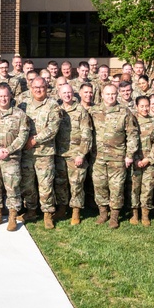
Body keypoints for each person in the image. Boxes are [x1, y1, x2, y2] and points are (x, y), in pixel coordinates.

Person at [89, 85, 140, 228]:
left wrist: (129, 155)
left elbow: (132, 134)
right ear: (102, 95)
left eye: (113, 94)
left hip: (117, 157)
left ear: (117, 94)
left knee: (116, 187)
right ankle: (103, 213)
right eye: (107, 94)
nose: (110, 96)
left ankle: (115, 216)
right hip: (98, 157)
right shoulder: (94, 111)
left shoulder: (124, 112)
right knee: (100, 185)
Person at [0, 84, 29, 231]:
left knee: (12, 187)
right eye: (0, 96)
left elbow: (23, 136)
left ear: (10, 96)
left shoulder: (19, 114)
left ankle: (12, 217)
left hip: (11, 158)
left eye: (6, 96)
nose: (3, 99)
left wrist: (8, 150)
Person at [20, 77, 62, 228]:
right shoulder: (23, 105)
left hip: (44, 152)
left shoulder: (53, 105)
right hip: (26, 153)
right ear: (31, 88)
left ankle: (47, 214)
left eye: (42, 87)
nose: (38, 90)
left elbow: (53, 128)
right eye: (35, 87)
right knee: (27, 184)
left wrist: (34, 140)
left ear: (46, 88)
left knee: (46, 185)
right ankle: (31, 211)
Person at [55, 83, 93, 225]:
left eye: (69, 92)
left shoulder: (81, 111)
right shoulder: (57, 110)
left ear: (73, 93)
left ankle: (76, 212)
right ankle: (62, 208)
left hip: (76, 154)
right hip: (60, 154)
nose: (67, 95)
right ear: (60, 95)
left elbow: (87, 135)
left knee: (76, 184)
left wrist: (81, 154)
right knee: (60, 184)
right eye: (64, 93)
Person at [131, 95, 154, 226]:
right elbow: (129, 140)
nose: (145, 109)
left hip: (150, 162)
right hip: (135, 161)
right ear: (137, 107)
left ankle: (145, 214)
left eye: (147, 106)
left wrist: (148, 159)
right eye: (142, 106)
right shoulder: (132, 121)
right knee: (134, 188)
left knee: (147, 188)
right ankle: (134, 214)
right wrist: (136, 159)